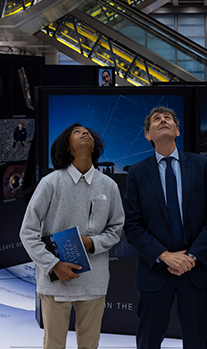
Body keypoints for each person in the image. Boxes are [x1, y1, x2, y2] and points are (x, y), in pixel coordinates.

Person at [122, 107, 207, 349]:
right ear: (148, 135)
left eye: (168, 119)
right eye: (156, 119)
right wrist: (165, 256)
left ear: (177, 131)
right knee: (148, 340)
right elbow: (132, 226)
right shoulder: (136, 173)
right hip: (155, 272)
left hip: (195, 271)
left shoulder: (201, 165)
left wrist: (192, 257)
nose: (163, 121)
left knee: (196, 340)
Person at [19, 124, 125, 349]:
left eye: (87, 132)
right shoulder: (50, 183)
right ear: (66, 146)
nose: (85, 133)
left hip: (94, 281)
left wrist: (92, 243)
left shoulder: (109, 185)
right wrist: (53, 264)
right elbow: (28, 231)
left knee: (90, 345)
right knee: (54, 344)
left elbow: (116, 229)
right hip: (55, 281)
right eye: (77, 132)